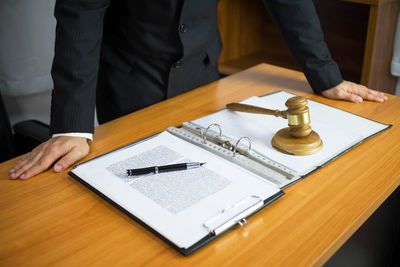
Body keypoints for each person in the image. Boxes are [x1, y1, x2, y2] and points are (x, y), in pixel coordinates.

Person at [9, 0, 387, 180]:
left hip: (204, 70)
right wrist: (71, 127)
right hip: (131, 75)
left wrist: (327, 76)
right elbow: (81, 14)